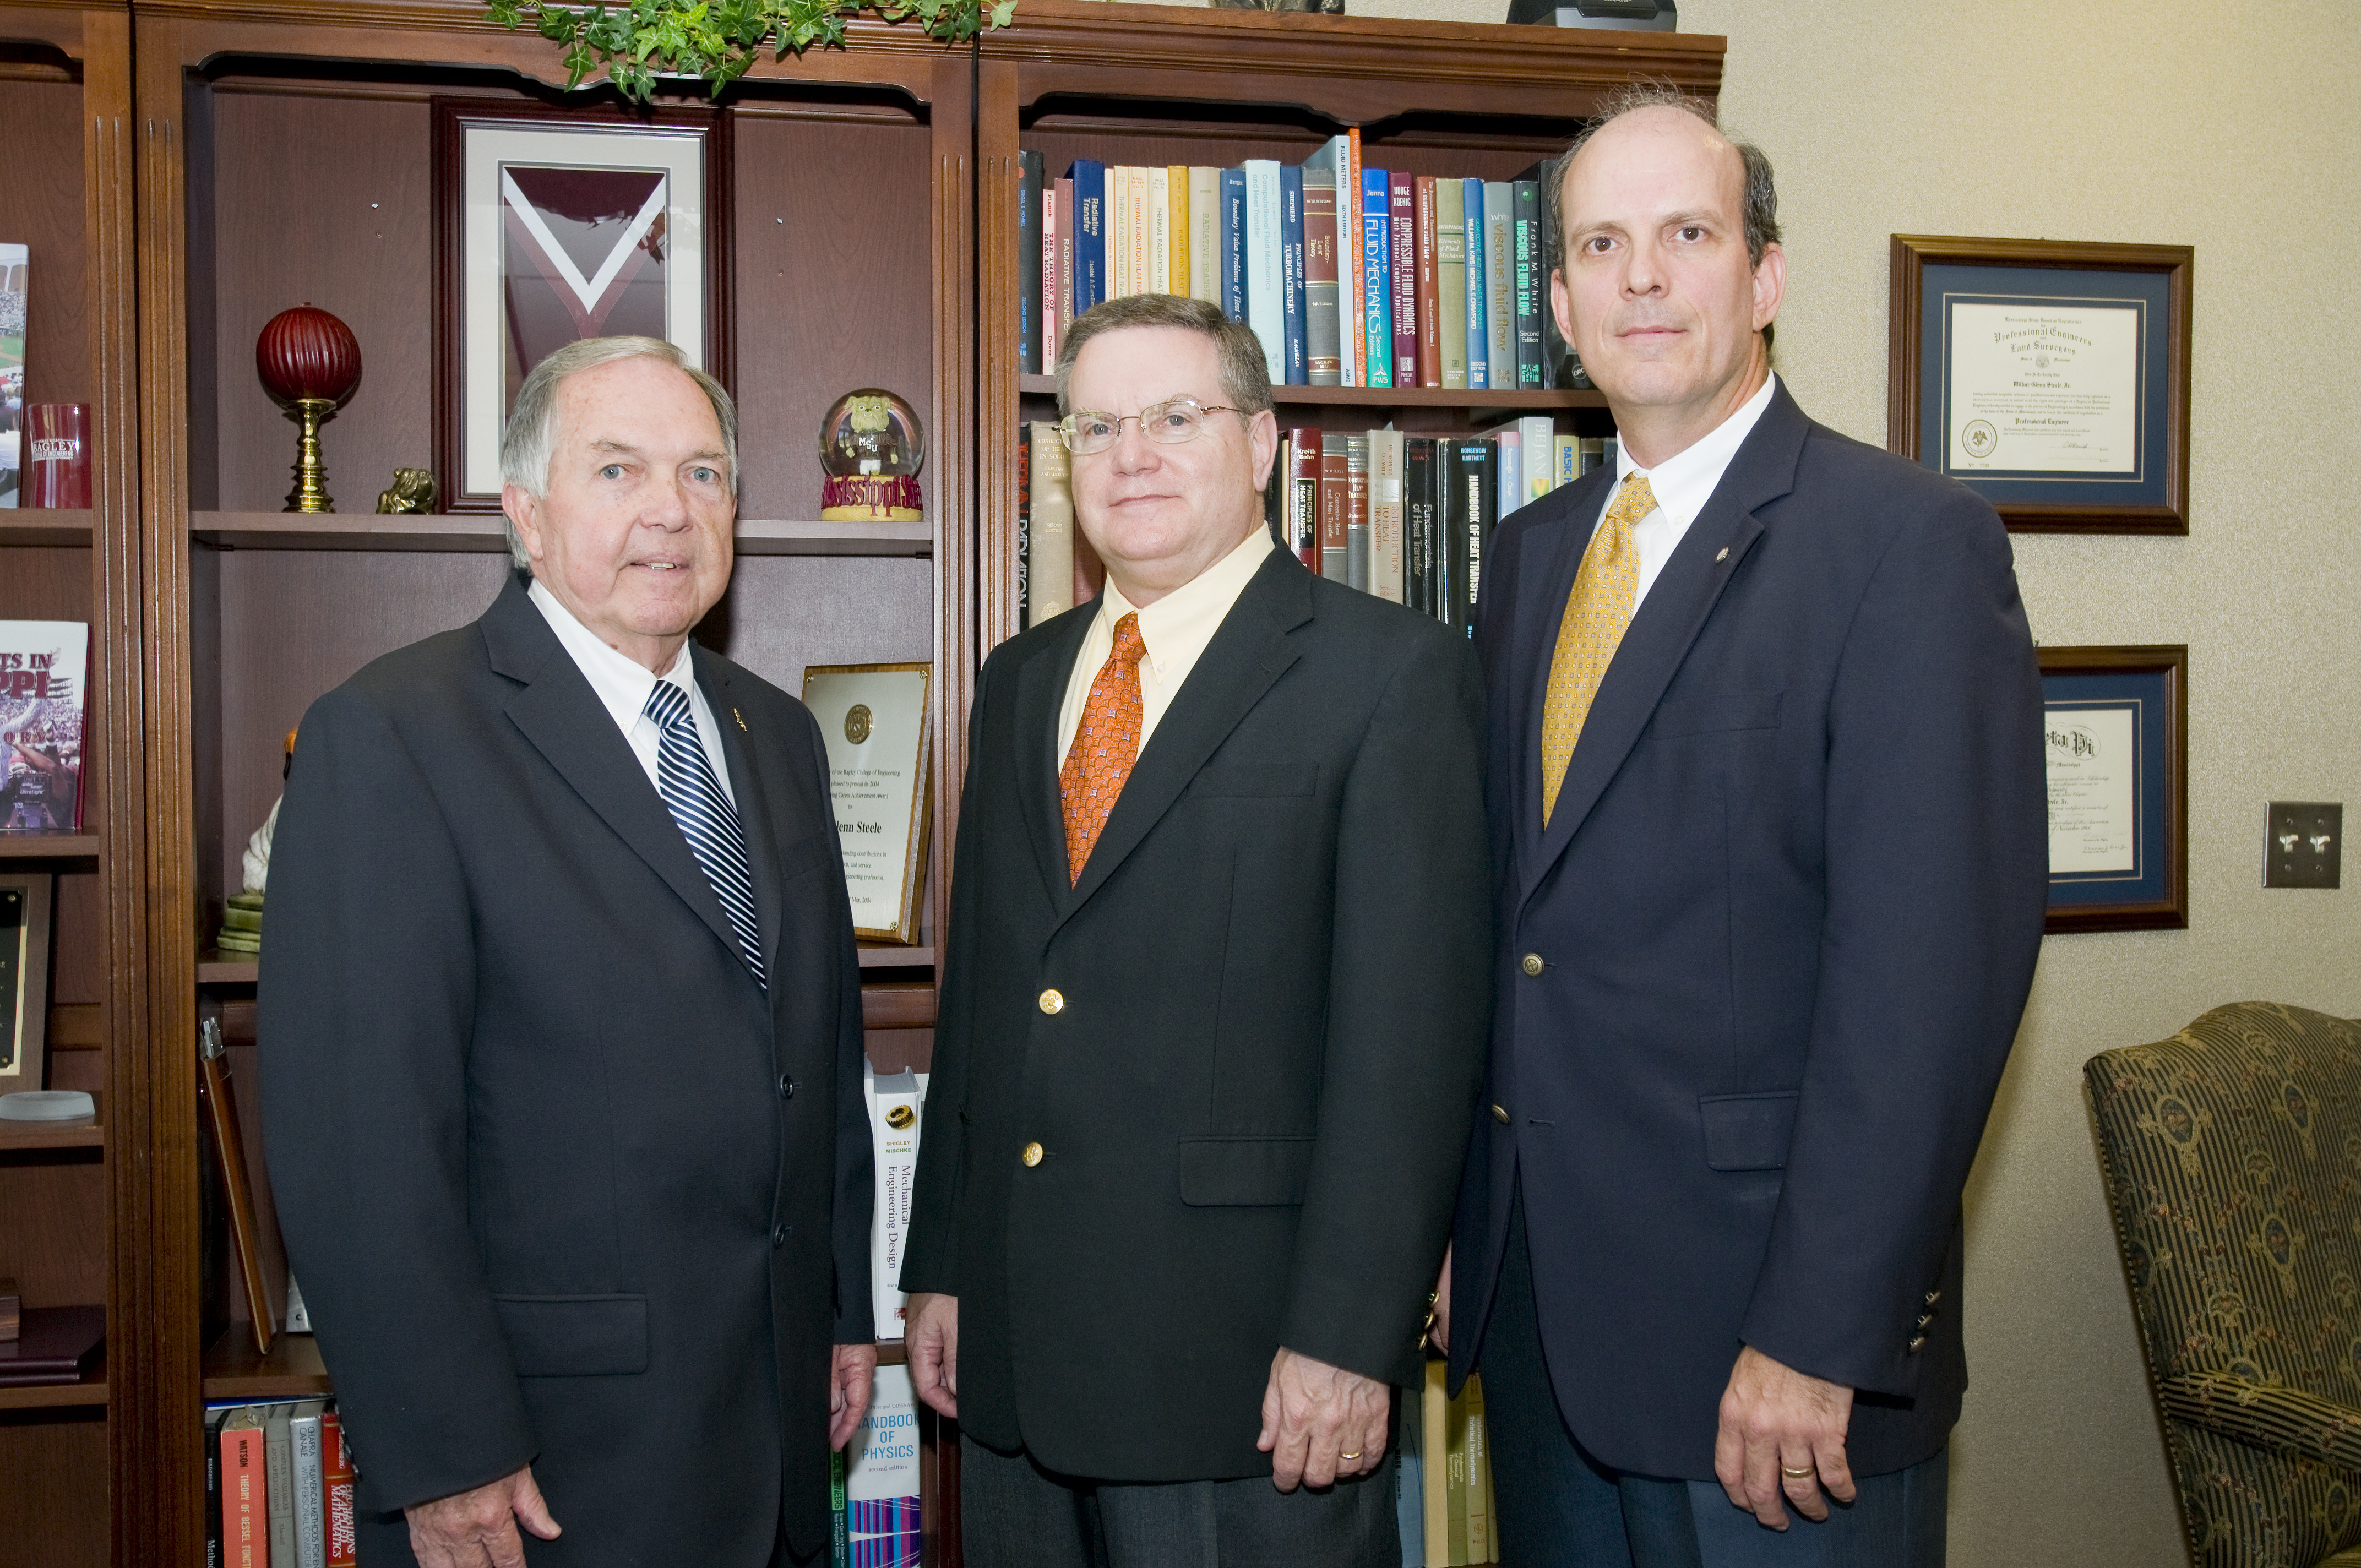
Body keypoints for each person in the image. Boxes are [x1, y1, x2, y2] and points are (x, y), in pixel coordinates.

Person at [1435, 88, 2048, 1567]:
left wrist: (1820, 1336)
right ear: (1564, 304)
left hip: (1772, 1374)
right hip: (1541, 1341)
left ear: (1763, 276)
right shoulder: (1527, 561)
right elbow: (1512, 930)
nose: (1642, 275)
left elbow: (1928, 989)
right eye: (1601, 244)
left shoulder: (1904, 545)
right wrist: (1461, 1225)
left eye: (1686, 234)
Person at [263, 336, 876, 1568]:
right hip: (541, 1458)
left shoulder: (780, 735)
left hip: (768, 1421)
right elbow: (357, 1137)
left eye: (704, 473)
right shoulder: (392, 736)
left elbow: (817, 1051)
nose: (670, 509)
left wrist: (840, 1311)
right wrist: (445, 1448)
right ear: (527, 515)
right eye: (617, 470)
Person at [899, 292, 1490, 1568]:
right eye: (1096, 425)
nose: (1132, 454)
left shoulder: (1389, 675)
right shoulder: (1019, 680)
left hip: (1246, 1372)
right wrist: (942, 1259)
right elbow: (991, 994)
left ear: (1265, 440)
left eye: (1176, 416)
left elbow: (1408, 1050)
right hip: (1015, 1355)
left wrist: (1348, 1334)